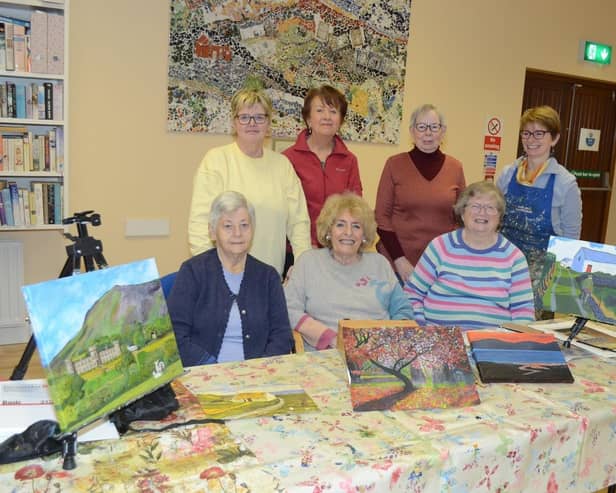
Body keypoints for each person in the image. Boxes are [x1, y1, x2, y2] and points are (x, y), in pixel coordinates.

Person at [188, 78, 311, 276]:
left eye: (259, 117)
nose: (252, 123)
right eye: (244, 117)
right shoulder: (216, 161)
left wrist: (303, 267)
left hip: (269, 277)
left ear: (269, 123)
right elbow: (200, 224)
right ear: (235, 122)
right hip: (224, 276)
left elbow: (299, 224)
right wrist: (211, 274)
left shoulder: (282, 166)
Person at [168, 191, 293, 366]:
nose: (237, 233)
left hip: (258, 379)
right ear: (212, 232)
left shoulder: (268, 277)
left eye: (244, 225)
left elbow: (281, 336)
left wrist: (260, 370)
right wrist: (212, 368)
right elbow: (175, 336)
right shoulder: (192, 272)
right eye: (228, 226)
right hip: (204, 377)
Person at [284, 192, 413, 351]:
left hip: (377, 354)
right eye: (340, 224)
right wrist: (330, 338)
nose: (348, 232)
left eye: (356, 226)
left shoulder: (379, 264)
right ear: (329, 231)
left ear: (364, 235)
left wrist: (388, 341)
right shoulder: (308, 262)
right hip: (325, 355)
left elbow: (403, 310)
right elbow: (288, 308)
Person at [406, 181, 535, 329]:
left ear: (500, 216)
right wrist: (422, 328)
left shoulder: (513, 257)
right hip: (439, 339)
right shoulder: (440, 246)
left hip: (490, 343)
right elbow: (412, 294)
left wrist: (510, 343)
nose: (482, 212)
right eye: (475, 206)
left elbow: (524, 311)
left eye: (490, 207)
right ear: (462, 213)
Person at [497, 105, 582, 311]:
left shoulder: (565, 182)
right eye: (526, 133)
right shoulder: (508, 173)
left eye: (539, 133)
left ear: (554, 139)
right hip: (505, 261)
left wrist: (557, 287)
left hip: (542, 270)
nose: (531, 139)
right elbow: (494, 217)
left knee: (530, 330)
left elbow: (570, 238)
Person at [375, 103, 466, 282]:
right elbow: (382, 218)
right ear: (412, 131)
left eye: (434, 127)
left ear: (443, 131)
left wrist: (447, 259)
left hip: (441, 265)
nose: (428, 133)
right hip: (396, 265)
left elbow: (461, 218)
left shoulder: (455, 167)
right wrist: (399, 261)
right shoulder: (394, 164)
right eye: (421, 127)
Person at [282, 85, 362, 247]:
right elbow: (283, 211)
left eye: (333, 112)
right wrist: (304, 244)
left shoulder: (350, 160)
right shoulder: (288, 159)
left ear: (340, 121)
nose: (327, 117)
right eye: (320, 110)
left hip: (338, 249)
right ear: (309, 119)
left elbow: (355, 208)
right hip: (297, 249)